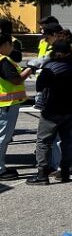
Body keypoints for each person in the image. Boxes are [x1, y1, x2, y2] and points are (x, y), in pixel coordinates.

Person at [26, 39, 72, 185]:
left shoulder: (51, 68)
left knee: (44, 141)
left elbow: (39, 86)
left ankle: (42, 174)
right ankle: (65, 172)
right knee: (68, 141)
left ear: (56, 53)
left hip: (52, 109)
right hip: (71, 108)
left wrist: (41, 66)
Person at [0, 33, 34, 181]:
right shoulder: (3, 61)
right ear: (4, 45)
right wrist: (31, 68)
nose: (12, 48)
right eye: (11, 45)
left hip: (6, 104)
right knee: (3, 138)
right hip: (6, 104)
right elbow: (16, 80)